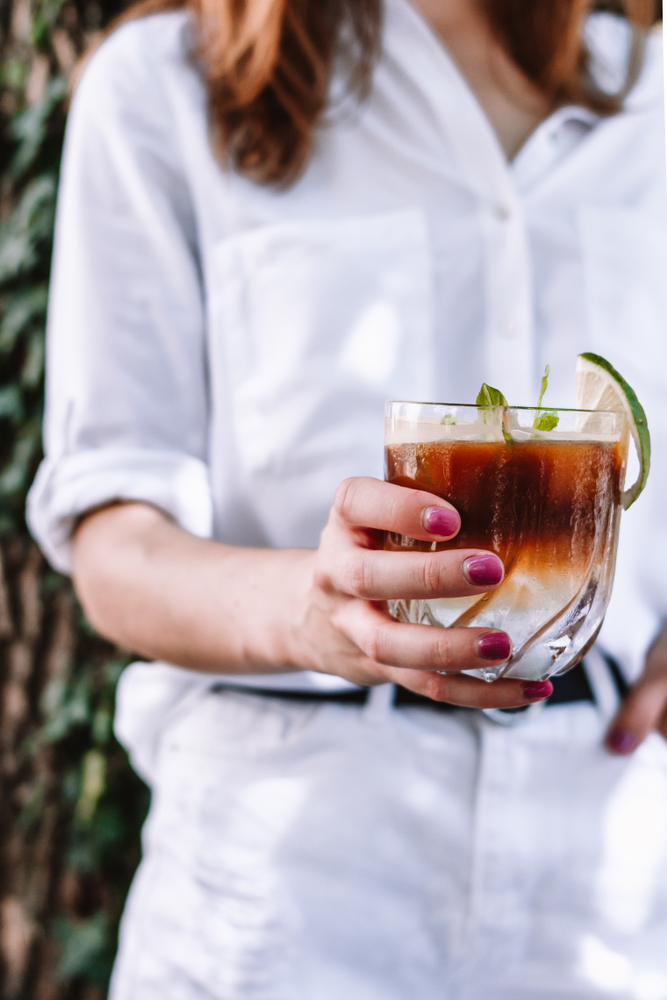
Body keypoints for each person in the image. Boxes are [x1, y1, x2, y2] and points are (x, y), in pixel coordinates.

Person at [27, 0, 667, 995]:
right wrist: (312, 614)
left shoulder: (651, 88)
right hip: (284, 895)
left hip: (609, 893)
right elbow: (116, 545)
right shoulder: (162, 88)